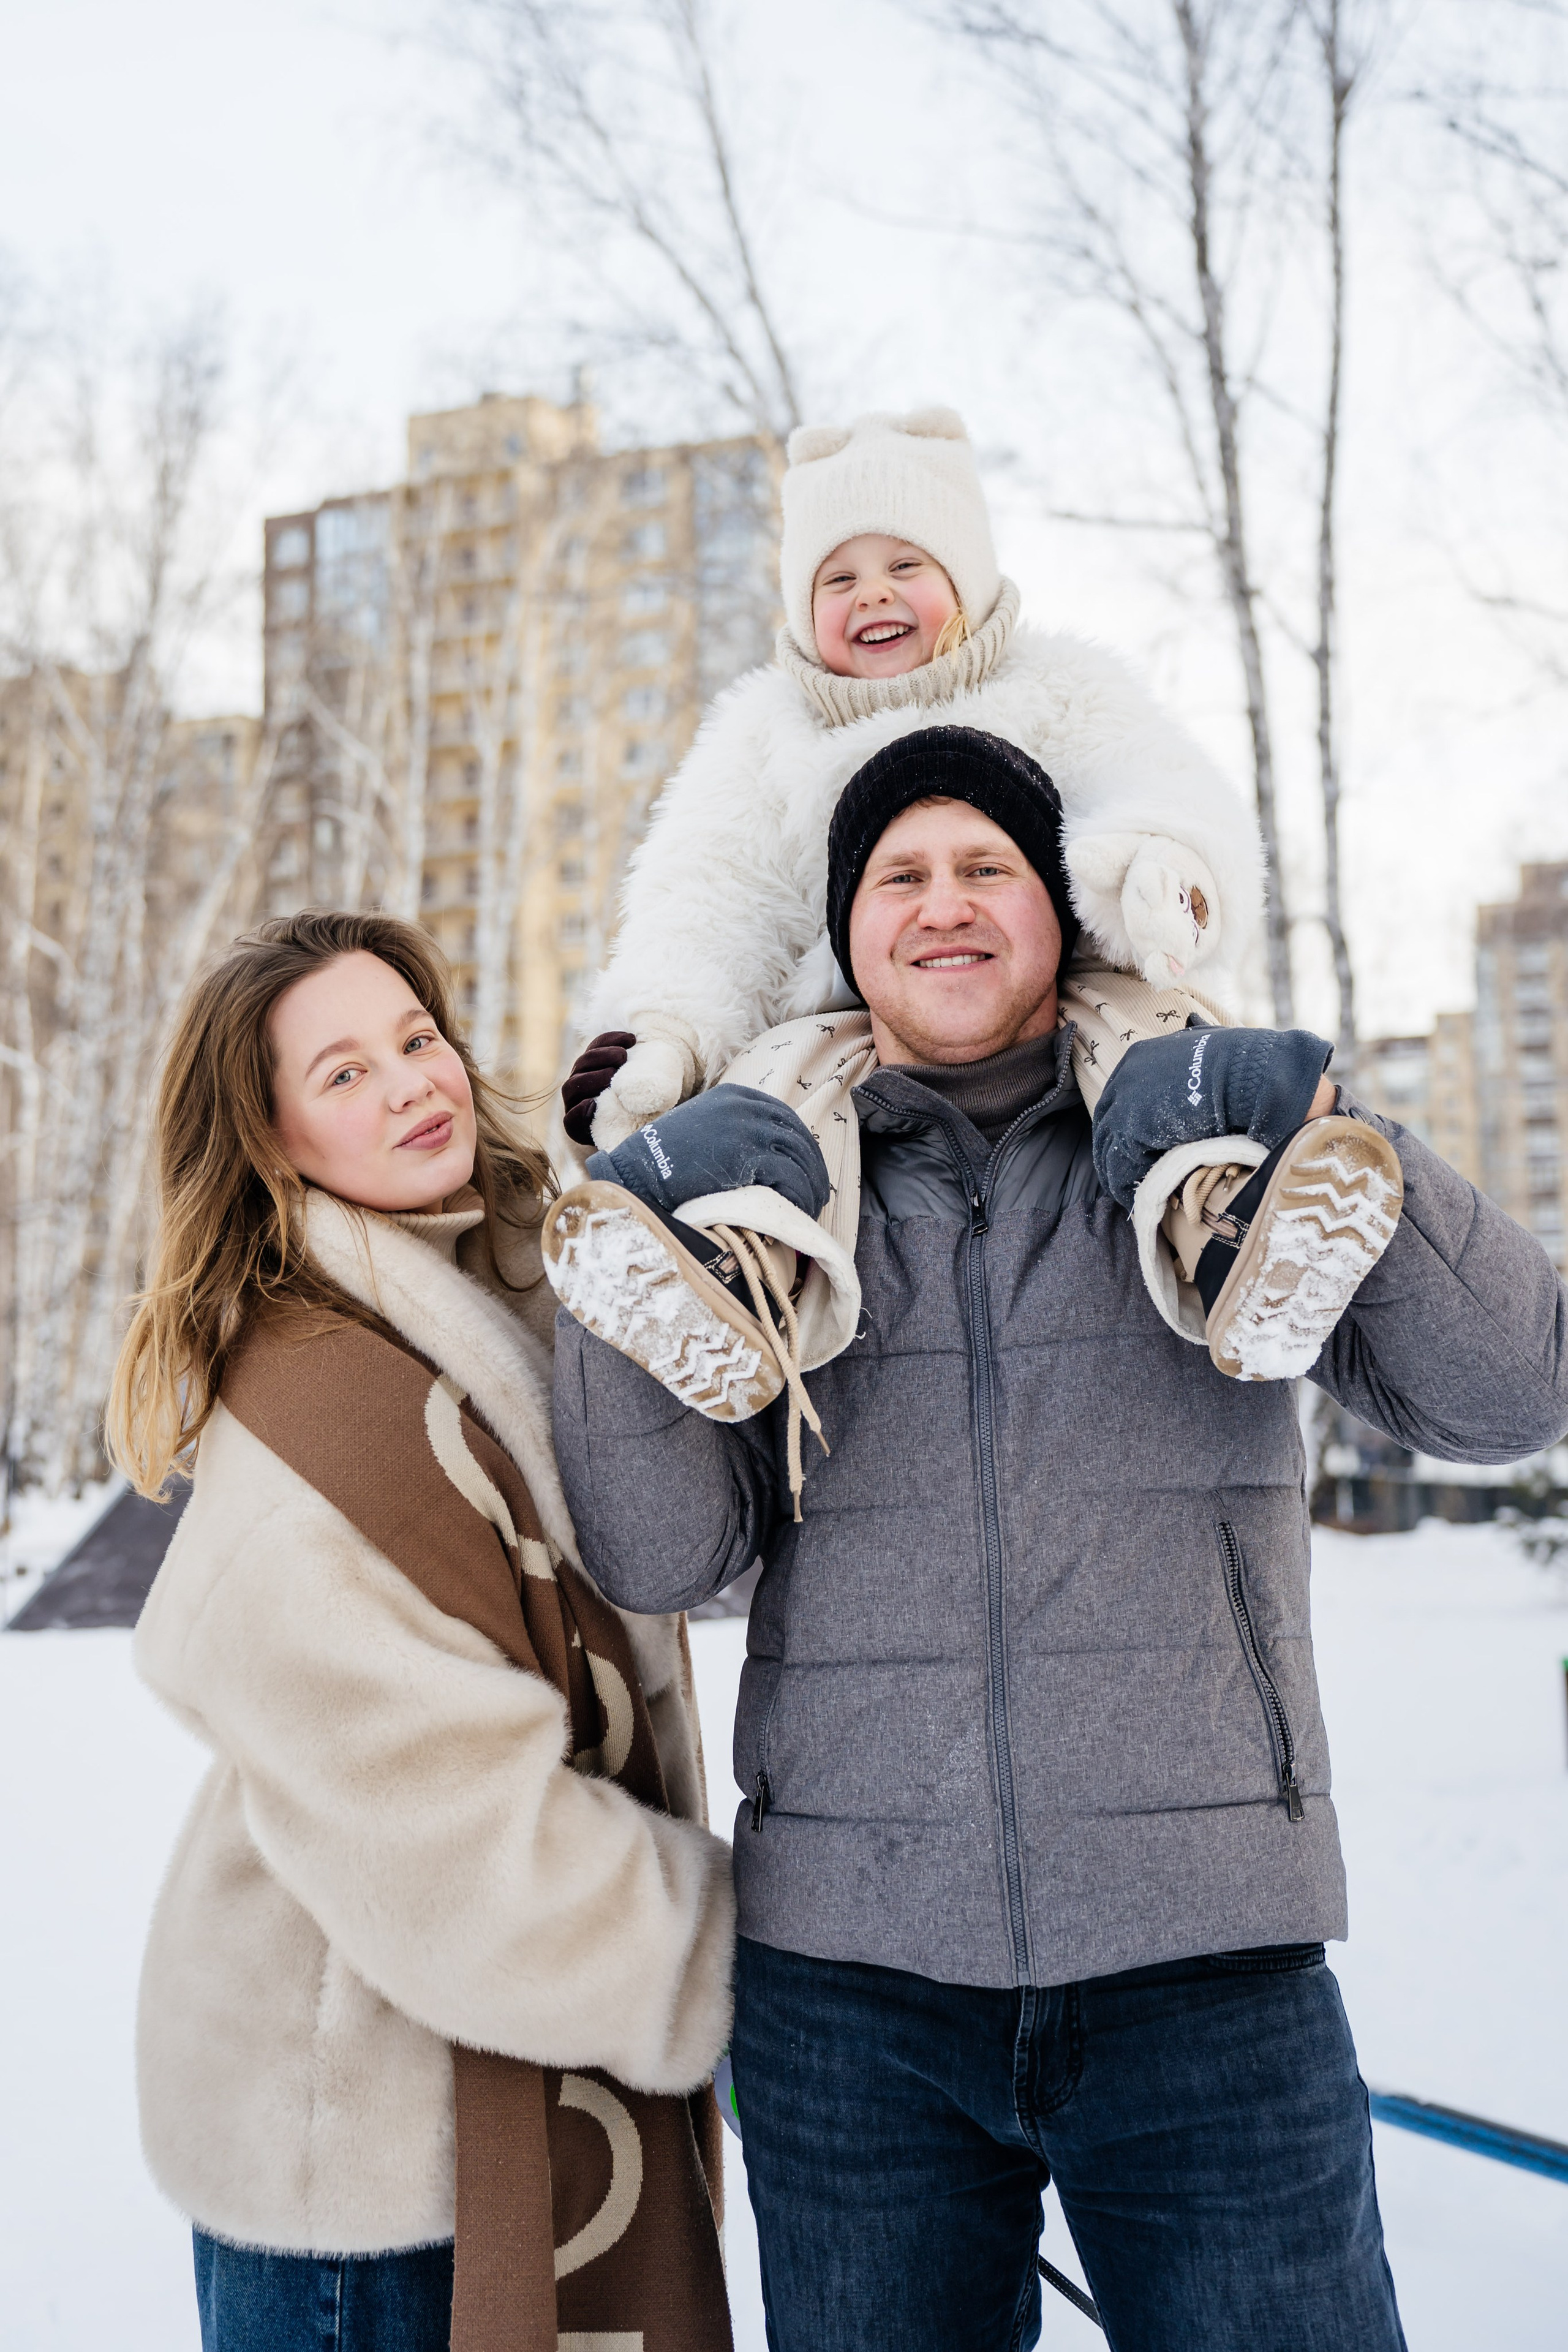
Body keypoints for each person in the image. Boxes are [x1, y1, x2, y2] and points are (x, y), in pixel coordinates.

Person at [549, 761, 1568, 2351]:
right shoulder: (776, 1195)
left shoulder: (1201, 1162)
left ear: (1058, 911)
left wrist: (1321, 1122)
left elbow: (1511, 1393)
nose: (946, 902)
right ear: (848, 930)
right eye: (900, 875)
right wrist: (633, 1258)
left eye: (986, 867)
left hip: (1210, 1969)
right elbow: (669, 1553)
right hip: (852, 1992)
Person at [107, 910, 735, 2352]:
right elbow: (473, 1860)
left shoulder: (492, 1300)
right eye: (342, 1072)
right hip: (366, 2194)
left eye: (415, 1036)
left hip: (456, 2111)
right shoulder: (323, 1433)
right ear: (269, 1144)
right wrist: (759, 1967)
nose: (410, 1082)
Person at [565, 405, 1262, 1161]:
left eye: (904, 567)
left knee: (1151, 1048)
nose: (871, 594)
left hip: (1060, 1010)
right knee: (772, 1094)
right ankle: (732, 1242)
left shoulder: (1056, 687)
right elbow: (706, 903)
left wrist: (1164, 869)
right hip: (855, 1044)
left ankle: (1215, 1195)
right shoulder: (763, 737)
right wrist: (670, 1033)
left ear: (964, 580)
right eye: (839, 579)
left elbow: (1155, 781)